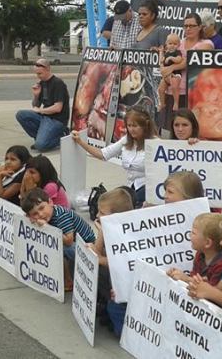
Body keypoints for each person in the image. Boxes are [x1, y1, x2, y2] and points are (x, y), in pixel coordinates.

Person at [72, 106, 156, 208]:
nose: (131, 129)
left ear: (145, 126)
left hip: (148, 189)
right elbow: (103, 154)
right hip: (130, 187)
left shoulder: (156, 144)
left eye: (135, 126)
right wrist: (80, 142)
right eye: (129, 125)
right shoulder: (126, 140)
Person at [21, 188, 96, 291]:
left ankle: (68, 281)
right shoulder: (49, 214)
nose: (40, 214)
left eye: (42, 208)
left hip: (88, 249)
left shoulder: (61, 216)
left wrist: (47, 227)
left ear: (50, 202)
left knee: (58, 247)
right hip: (76, 245)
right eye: (35, 214)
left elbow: (68, 241)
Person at [90, 188, 135, 337]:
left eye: (102, 213)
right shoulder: (111, 230)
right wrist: (102, 232)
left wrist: (100, 259)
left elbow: (123, 262)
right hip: (116, 282)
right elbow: (96, 252)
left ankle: (126, 332)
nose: (97, 215)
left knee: (115, 312)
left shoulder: (130, 233)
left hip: (129, 288)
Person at [15, 58, 70, 152]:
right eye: (36, 74)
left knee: (40, 146)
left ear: (47, 69)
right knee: (21, 114)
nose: (38, 76)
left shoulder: (58, 83)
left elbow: (58, 108)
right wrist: (36, 95)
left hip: (57, 120)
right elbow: (35, 105)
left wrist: (41, 111)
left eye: (40, 73)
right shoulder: (42, 83)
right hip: (45, 116)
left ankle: (63, 136)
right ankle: (40, 138)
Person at [167, 213, 222, 285]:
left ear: (207, 243)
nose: (189, 235)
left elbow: (211, 290)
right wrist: (177, 275)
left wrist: (186, 279)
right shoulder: (200, 254)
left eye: (193, 233)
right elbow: (194, 277)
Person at [157, 33, 184, 112]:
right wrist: (161, 52)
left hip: (175, 74)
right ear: (166, 44)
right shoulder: (167, 53)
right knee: (160, 89)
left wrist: (172, 58)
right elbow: (161, 60)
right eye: (170, 43)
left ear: (179, 45)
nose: (172, 46)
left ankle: (176, 103)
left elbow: (179, 60)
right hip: (166, 76)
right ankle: (162, 103)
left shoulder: (177, 52)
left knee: (174, 86)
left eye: (175, 44)